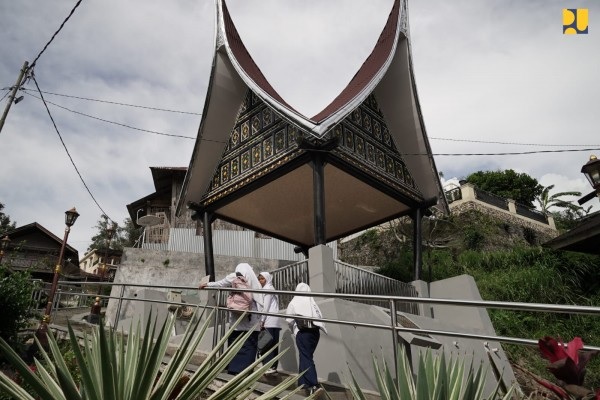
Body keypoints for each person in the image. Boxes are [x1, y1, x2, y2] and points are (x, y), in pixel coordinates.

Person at [199, 262, 263, 375]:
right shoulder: (254, 281)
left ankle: (233, 369)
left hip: (237, 319)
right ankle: (245, 372)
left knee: (235, 344)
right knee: (249, 346)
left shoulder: (234, 276)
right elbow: (260, 300)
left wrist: (207, 284)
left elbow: (221, 284)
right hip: (251, 319)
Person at [285, 283, 327, 395]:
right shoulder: (312, 302)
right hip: (315, 333)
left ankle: (313, 384)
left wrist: (294, 331)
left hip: (303, 333)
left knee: (306, 357)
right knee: (305, 356)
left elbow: (288, 320)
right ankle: (303, 383)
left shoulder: (294, 302)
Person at [257, 271, 281, 375]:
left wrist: (262, 320)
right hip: (275, 321)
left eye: (262, 279)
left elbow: (265, 307)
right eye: (259, 279)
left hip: (268, 320)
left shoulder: (267, 289)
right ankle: (273, 366)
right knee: (274, 343)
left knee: (266, 344)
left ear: (267, 279)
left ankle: (268, 366)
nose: (260, 281)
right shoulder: (272, 288)